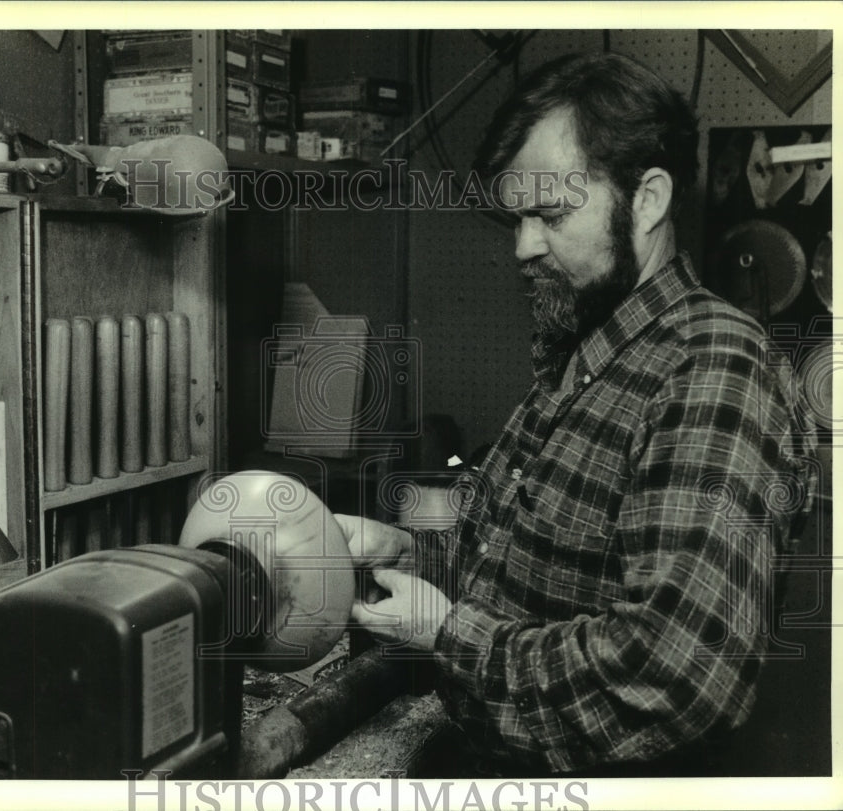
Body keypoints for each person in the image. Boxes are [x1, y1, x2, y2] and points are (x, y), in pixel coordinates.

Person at [339, 52, 817, 776]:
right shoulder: (586, 349)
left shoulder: (715, 370)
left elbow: (674, 673)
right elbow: (532, 566)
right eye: (518, 217)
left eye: (550, 213)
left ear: (648, 200)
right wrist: (405, 552)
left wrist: (446, 634)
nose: (523, 246)